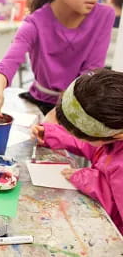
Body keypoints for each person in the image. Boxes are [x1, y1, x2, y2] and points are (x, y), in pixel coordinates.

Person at [31, 69, 123, 234]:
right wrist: (53, 134)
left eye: (81, 135)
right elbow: (96, 147)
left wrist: (92, 181)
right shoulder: (114, 128)